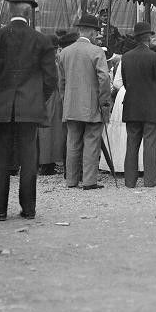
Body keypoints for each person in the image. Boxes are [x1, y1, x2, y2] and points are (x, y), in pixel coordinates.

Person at [0, 0, 58, 220]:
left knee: (1, 160)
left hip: (0, 107)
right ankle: (29, 209)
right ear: (29, 11)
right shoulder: (42, 41)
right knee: (28, 160)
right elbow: (51, 79)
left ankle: (0, 210)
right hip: (30, 108)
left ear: (10, 8)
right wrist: (37, 98)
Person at [58, 14, 111, 190]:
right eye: (97, 33)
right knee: (91, 142)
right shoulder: (96, 51)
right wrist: (104, 104)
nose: (97, 36)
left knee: (72, 142)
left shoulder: (64, 52)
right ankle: (89, 181)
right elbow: (104, 79)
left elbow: (61, 82)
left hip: (71, 105)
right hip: (92, 105)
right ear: (92, 32)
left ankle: (71, 180)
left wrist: (66, 100)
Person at [121, 22, 156, 189]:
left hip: (132, 104)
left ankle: (129, 181)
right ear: (148, 37)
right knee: (150, 143)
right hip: (151, 105)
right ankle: (149, 179)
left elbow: (125, 81)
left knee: (132, 144)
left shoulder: (126, 57)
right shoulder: (155, 57)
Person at [38, 34, 65, 176]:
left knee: (41, 132)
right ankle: (47, 164)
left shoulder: (38, 61)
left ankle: (41, 162)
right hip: (52, 97)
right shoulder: (53, 64)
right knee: (51, 131)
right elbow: (59, 82)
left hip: (39, 98)